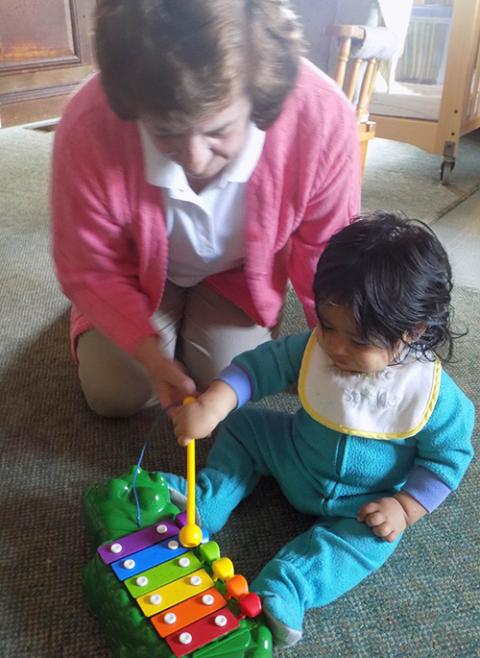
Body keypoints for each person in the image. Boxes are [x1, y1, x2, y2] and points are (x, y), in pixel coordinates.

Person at [165, 212, 475, 647]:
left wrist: (405, 506)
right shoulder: (318, 349)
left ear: (413, 332)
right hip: (294, 453)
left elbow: (449, 457)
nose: (336, 347)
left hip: (362, 502)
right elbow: (260, 368)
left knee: (375, 540)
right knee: (242, 424)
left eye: (359, 341)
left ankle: (289, 586)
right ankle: (206, 501)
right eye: (328, 326)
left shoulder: (433, 396)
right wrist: (214, 404)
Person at [51, 0, 361, 418]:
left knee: (226, 380)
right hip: (131, 269)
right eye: (166, 133)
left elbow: (327, 255)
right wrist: (147, 352)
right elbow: (89, 263)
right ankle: (104, 316)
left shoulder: (321, 117)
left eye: (218, 130)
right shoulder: (89, 123)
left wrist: (339, 347)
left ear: (259, 96)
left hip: (237, 274)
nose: (195, 160)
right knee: (116, 393)